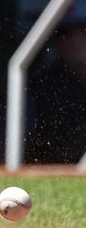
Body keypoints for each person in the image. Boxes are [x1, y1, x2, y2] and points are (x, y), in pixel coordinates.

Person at [26, 21, 86, 164]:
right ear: (57, 42)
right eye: (66, 34)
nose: (76, 40)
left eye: (84, 31)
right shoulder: (42, 85)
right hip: (53, 168)